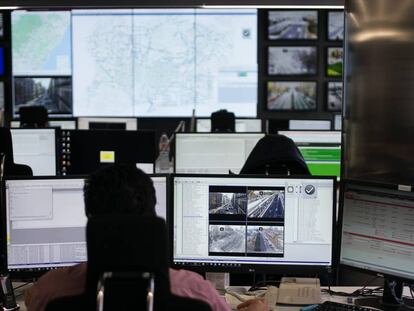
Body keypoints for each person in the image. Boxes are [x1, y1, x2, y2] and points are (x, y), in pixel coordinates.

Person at [25, 165, 268, 311]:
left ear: (90, 219)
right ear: (153, 214)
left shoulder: (50, 290)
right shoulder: (195, 291)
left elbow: (31, 302)